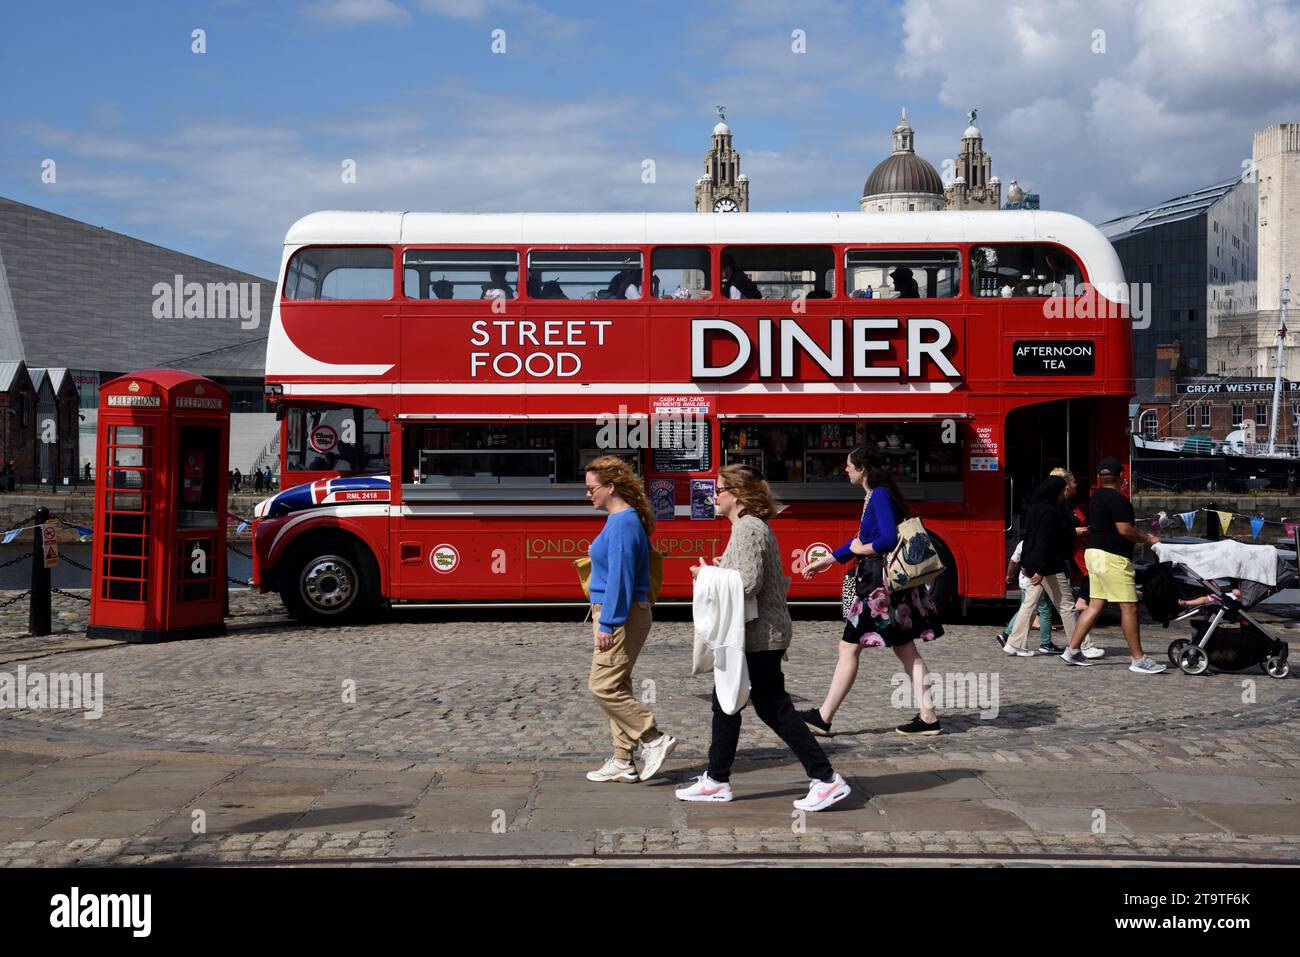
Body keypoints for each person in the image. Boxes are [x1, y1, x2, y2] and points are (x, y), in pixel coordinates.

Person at [677, 465, 850, 811]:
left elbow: (748, 583)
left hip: (760, 633)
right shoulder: (749, 527)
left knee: (770, 707)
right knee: (727, 703)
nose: (715, 495)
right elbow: (745, 575)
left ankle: (826, 778)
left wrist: (707, 575)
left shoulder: (747, 528)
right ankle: (716, 779)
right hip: (755, 632)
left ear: (738, 497)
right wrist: (720, 569)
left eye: (721, 489)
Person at [799, 446, 945, 736]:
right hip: (888, 587)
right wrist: (827, 560)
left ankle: (824, 716)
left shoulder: (878, 494)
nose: (846, 470)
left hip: (879, 588)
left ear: (863, 468)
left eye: (849, 465)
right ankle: (928, 718)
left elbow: (887, 539)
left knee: (850, 647)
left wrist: (860, 549)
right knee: (905, 649)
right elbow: (863, 538)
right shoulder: (877, 495)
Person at [583, 455, 676, 783]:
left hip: (619, 614)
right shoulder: (624, 520)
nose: (588, 494)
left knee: (602, 686)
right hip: (623, 611)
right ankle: (623, 760)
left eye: (592, 488)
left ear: (611, 487)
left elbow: (621, 578)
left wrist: (608, 622)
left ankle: (652, 737)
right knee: (618, 683)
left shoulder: (622, 523)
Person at [1061, 457, 1167, 673]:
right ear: (1121, 477)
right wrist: (1149, 539)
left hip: (1093, 553)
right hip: (1113, 558)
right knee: (1130, 607)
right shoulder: (1119, 501)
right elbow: (1125, 530)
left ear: (1100, 478)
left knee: (1095, 605)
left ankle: (1072, 650)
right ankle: (1138, 659)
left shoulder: (1096, 497)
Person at [1003, 476, 1077, 656]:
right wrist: (1041, 569)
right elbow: (1047, 542)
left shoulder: (1034, 508)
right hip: (1047, 566)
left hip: (1033, 564)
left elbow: (1028, 539)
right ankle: (1079, 645)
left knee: (1029, 604)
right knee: (1066, 605)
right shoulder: (1051, 512)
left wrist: (1025, 563)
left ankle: (1014, 642)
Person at [994, 539, 1055, 652]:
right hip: (1035, 581)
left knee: (1024, 609)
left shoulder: (1023, 543)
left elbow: (1013, 561)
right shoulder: (1041, 542)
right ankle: (1046, 643)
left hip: (1023, 582)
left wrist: (1009, 575)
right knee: (1045, 610)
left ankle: (1007, 634)